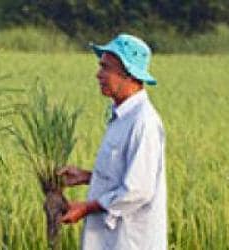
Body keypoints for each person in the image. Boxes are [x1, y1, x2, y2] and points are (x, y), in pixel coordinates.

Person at [57, 34, 169, 250]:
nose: (98, 75)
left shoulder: (143, 122)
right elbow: (125, 173)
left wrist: (87, 208)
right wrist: (87, 177)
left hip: (130, 241)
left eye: (105, 68)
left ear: (129, 74)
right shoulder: (121, 115)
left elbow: (138, 189)